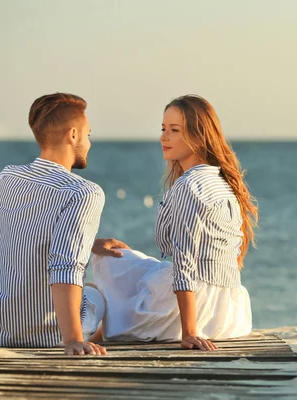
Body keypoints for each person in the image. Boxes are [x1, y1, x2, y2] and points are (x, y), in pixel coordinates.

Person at [90, 94, 258, 351]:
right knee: (122, 258)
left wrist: (190, 332)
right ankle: (102, 326)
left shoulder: (189, 186)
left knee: (107, 263)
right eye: (163, 129)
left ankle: (92, 326)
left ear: (199, 137)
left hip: (193, 312)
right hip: (230, 315)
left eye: (175, 130)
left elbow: (185, 262)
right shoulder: (223, 184)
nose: (163, 137)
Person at [0, 92, 109, 356]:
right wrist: (72, 340)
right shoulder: (83, 192)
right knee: (101, 294)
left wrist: (90, 243)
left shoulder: (5, 178)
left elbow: (24, 233)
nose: (89, 143)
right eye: (88, 135)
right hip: (49, 336)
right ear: (73, 135)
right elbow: (65, 266)